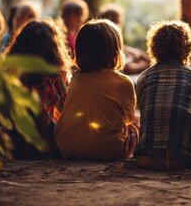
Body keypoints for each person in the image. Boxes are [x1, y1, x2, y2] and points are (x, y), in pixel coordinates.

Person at [134, 21, 191, 170]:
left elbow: (142, 111)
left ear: (154, 48)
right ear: (188, 48)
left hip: (145, 156)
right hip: (182, 158)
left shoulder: (144, 76)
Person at [56, 19, 138, 160]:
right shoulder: (123, 82)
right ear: (116, 52)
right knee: (136, 126)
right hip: (110, 151)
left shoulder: (74, 79)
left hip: (67, 149)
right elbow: (128, 119)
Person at [5, 19, 71, 158]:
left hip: (12, 139)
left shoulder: (11, 72)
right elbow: (64, 108)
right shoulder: (56, 75)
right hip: (43, 142)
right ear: (54, 48)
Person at [99, 4, 150, 74]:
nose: (116, 25)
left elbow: (123, 48)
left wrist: (137, 53)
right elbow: (124, 68)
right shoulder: (104, 41)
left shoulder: (116, 42)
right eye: (113, 22)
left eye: (118, 22)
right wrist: (143, 64)